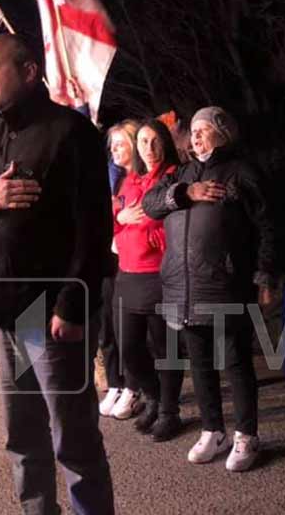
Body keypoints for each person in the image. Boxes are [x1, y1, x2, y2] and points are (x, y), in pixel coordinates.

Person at [0, 33, 115, 514]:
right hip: (5, 314)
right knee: (23, 437)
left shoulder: (72, 133)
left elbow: (93, 229)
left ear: (28, 71)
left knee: (73, 437)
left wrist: (72, 306)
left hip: (48, 316)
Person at [143, 106, 274, 472]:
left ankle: (246, 435)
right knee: (199, 363)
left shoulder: (242, 172)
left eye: (205, 129)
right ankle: (213, 429)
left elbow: (266, 225)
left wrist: (264, 275)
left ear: (224, 134)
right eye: (194, 130)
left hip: (226, 283)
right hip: (184, 286)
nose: (196, 135)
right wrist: (187, 192)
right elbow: (150, 205)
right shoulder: (182, 174)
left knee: (235, 361)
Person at [112, 118, 185, 441]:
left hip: (158, 274)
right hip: (127, 273)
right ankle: (152, 397)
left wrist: (146, 226)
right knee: (129, 348)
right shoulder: (129, 181)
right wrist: (119, 216)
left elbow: (170, 219)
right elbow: (114, 223)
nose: (149, 148)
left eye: (155, 141)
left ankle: (169, 410)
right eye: (143, 142)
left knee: (164, 348)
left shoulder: (173, 177)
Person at [98, 120, 145, 421]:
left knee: (130, 329)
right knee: (106, 325)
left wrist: (120, 215)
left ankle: (134, 385)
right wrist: (117, 213)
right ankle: (114, 382)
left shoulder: (140, 179)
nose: (114, 150)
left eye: (120, 144)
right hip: (107, 257)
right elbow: (104, 215)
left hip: (134, 262)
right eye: (111, 145)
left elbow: (139, 218)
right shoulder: (111, 177)